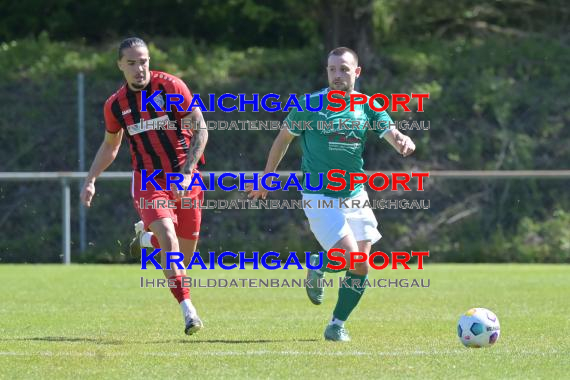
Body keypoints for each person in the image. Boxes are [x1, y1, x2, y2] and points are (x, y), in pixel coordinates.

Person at [245, 47, 416, 342]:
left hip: (355, 194)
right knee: (349, 258)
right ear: (327, 72)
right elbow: (283, 138)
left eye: (344, 69)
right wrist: (267, 176)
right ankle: (319, 265)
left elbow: (390, 131)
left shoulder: (367, 106)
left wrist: (401, 140)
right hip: (319, 196)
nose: (338, 75)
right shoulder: (311, 104)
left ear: (357, 72)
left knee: (362, 264)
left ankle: (337, 324)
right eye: (332, 69)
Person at [80, 37, 208, 336]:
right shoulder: (116, 105)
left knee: (182, 258)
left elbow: (200, 128)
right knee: (170, 241)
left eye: (144, 61)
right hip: (148, 180)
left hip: (185, 177)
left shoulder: (172, 87)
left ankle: (148, 240)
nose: (140, 68)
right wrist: (90, 179)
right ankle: (189, 311)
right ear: (120, 66)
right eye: (132, 63)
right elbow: (111, 146)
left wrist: (187, 173)